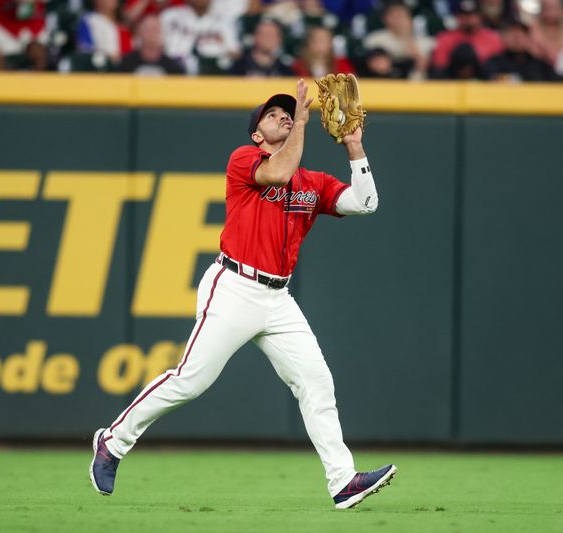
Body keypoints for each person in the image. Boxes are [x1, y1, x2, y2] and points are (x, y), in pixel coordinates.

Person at [89, 79, 396, 510]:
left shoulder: (313, 182)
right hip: (233, 286)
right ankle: (112, 442)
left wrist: (354, 147)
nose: (285, 117)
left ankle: (342, 480)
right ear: (257, 133)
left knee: (315, 382)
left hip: (278, 299)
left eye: (289, 113)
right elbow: (277, 172)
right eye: (274, 115)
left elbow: (365, 203)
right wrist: (304, 125)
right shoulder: (244, 159)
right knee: (191, 380)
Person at [160, 0, 240, 74]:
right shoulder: (170, 16)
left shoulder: (224, 21)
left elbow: (235, 54)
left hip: (213, 77)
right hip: (172, 74)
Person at [362, 0, 434, 80]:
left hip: (418, 85)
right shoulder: (375, 39)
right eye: (394, 16)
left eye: (402, 15)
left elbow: (423, 65)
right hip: (387, 83)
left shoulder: (426, 41)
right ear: (385, 18)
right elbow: (377, 66)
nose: (399, 20)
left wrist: (407, 37)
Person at [431, 0, 503, 75]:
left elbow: (498, 66)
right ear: (457, 17)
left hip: (484, 82)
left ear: (480, 16)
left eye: (471, 15)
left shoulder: (492, 38)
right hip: (452, 81)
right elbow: (440, 66)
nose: (467, 19)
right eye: (463, 15)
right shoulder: (445, 38)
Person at [483, 18, 556, 81]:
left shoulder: (541, 66)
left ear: (528, 38)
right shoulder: (493, 63)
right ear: (504, 37)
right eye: (512, 33)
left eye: (522, 34)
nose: (517, 38)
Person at [528, 0, 563, 75]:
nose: (552, 12)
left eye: (555, 7)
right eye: (548, 8)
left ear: (562, 8)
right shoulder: (533, 27)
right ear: (541, 9)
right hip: (542, 72)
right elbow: (534, 54)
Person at [118, 13, 184, 74]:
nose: (151, 34)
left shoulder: (173, 68)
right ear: (140, 32)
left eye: (154, 29)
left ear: (161, 33)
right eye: (148, 29)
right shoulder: (126, 64)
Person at [228, 17, 294, 76]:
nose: (269, 39)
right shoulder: (239, 68)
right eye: (266, 34)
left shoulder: (285, 71)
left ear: (279, 39)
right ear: (255, 37)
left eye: (273, 35)